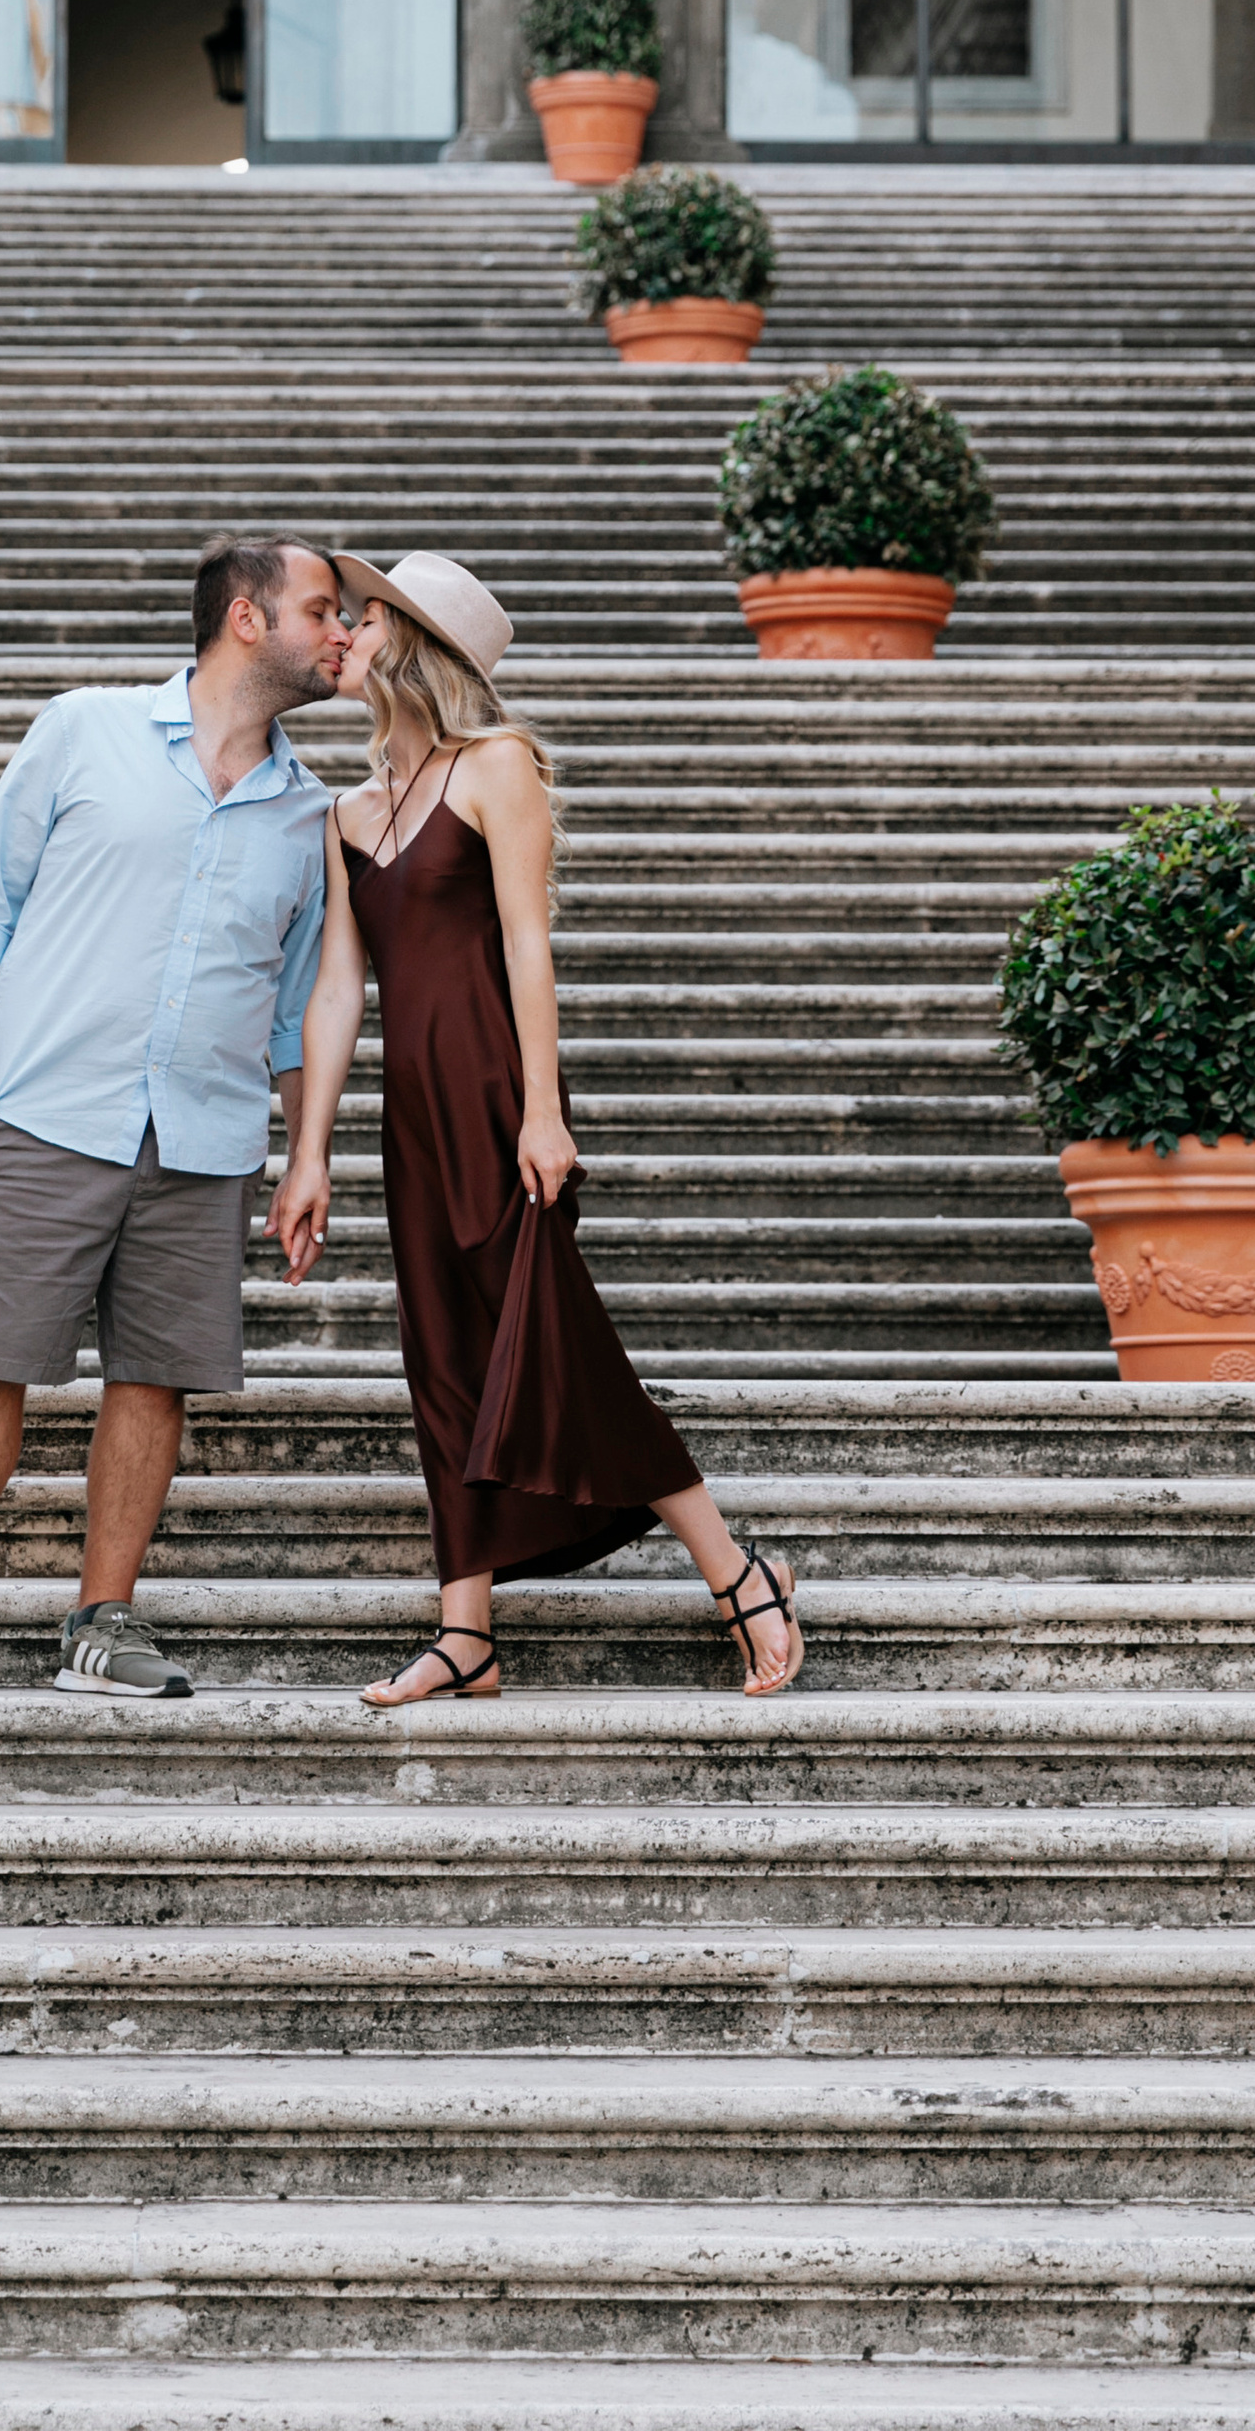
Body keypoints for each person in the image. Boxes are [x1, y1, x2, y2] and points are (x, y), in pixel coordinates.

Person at [270, 549, 802, 1708]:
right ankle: (467, 1633)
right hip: (411, 1122)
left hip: (498, 1104)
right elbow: (334, 991)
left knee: (558, 1345)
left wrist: (544, 1112)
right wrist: (307, 1151)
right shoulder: (348, 815)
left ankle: (736, 1569)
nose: (345, 634)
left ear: (411, 643)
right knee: (443, 1363)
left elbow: (526, 944)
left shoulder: (493, 764)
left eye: (364, 620)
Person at [0, 535, 346, 1708]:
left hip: (204, 1138)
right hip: (45, 1107)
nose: (341, 636)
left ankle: (103, 1620)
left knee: (157, 1378)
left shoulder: (310, 813)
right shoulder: (82, 729)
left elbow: (296, 1009)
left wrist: (304, 1155)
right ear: (244, 619)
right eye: (322, 611)